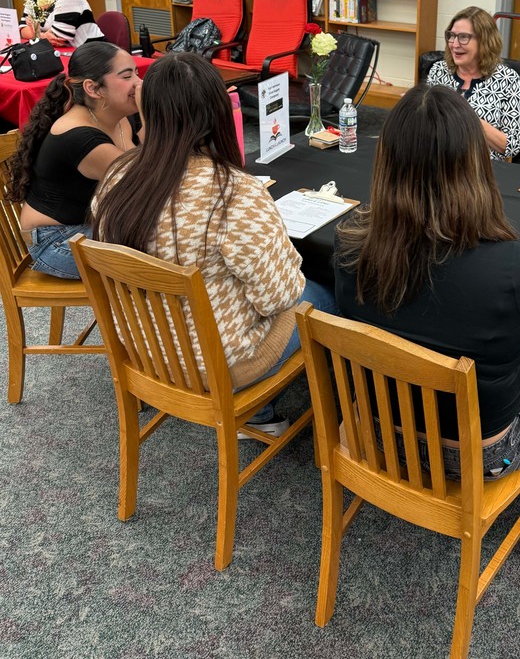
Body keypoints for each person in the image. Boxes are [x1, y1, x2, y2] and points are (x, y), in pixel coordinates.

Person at [91, 52, 336, 433]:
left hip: (144, 351)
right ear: (218, 111)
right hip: (219, 365)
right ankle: (285, 415)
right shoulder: (232, 192)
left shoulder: (117, 176)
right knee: (326, 298)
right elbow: (280, 297)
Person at [335, 85, 520, 480]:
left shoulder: (349, 241)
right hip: (478, 458)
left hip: (375, 433)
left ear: (386, 159)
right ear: (475, 161)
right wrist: (514, 333)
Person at [8, 42, 141, 279]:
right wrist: (154, 116)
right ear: (93, 88)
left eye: (137, 73)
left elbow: (144, 154)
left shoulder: (115, 116)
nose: (139, 83)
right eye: (127, 76)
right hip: (57, 241)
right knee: (158, 253)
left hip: (89, 225)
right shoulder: (82, 138)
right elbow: (147, 181)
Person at [426, 5, 520, 160]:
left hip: (481, 168)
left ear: (485, 41)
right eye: (451, 35)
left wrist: (467, 116)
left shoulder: (507, 79)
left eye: (464, 37)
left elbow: (511, 146)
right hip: (438, 162)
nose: (455, 44)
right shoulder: (439, 70)